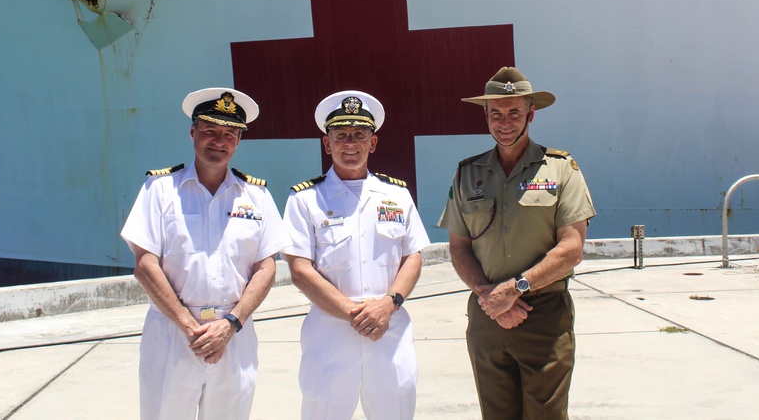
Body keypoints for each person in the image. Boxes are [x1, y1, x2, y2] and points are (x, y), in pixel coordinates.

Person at [120, 87, 290, 420]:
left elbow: (267, 266)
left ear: (238, 140)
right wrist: (188, 325)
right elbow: (144, 263)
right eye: (210, 130)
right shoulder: (160, 190)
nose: (218, 140)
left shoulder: (256, 195)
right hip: (172, 333)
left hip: (233, 333)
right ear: (192, 132)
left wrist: (230, 324)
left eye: (228, 134)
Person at [438, 67, 596, 420]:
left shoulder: (560, 168)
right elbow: (459, 247)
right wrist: (489, 297)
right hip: (487, 316)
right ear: (486, 116)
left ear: (530, 114)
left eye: (514, 112)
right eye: (496, 113)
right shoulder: (468, 173)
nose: (504, 122)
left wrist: (516, 288)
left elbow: (571, 248)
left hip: (543, 316)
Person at [282, 90, 431, 420]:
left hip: (389, 329)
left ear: (373, 143)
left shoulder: (396, 194)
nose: (351, 144)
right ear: (327, 143)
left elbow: (413, 256)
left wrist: (387, 304)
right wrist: (354, 313)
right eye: (341, 136)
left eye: (359, 135)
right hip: (330, 332)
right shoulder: (305, 199)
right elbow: (299, 269)